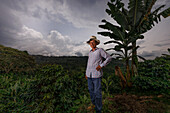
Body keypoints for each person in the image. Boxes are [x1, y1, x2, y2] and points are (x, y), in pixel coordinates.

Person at [85, 36, 112, 113]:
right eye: (91, 43)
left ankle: (98, 109)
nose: (92, 44)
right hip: (89, 75)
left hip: (96, 75)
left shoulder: (100, 50)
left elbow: (109, 58)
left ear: (96, 43)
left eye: (93, 42)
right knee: (91, 91)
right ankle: (94, 104)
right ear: (89, 44)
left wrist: (101, 65)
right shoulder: (90, 52)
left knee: (97, 92)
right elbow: (89, 64)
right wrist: (86, 73)